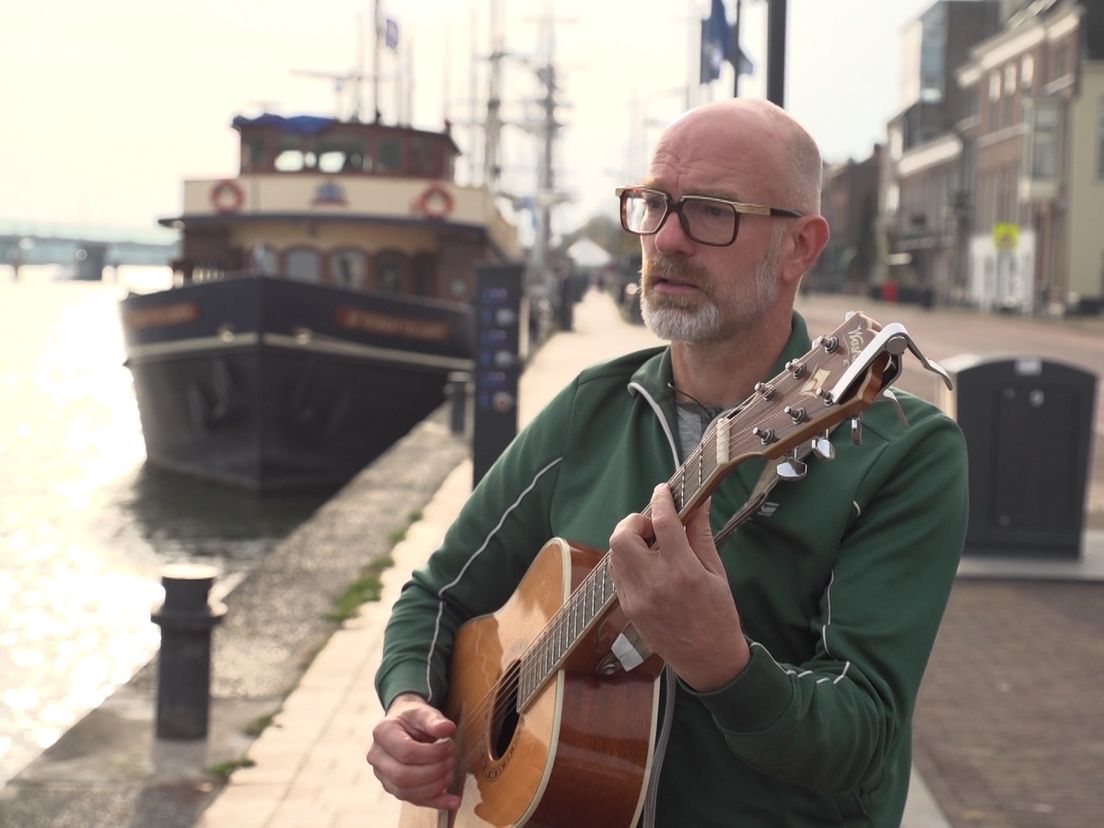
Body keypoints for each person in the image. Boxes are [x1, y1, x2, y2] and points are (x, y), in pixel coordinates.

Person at [367, 98, 968, 826]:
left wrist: (726, 667)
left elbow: (865, 736)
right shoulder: (594, 407)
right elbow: (439, 596)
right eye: (654, 204)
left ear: (800, 248)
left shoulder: (904, 452)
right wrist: (408, 706)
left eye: (712, 212)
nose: (669, 238)